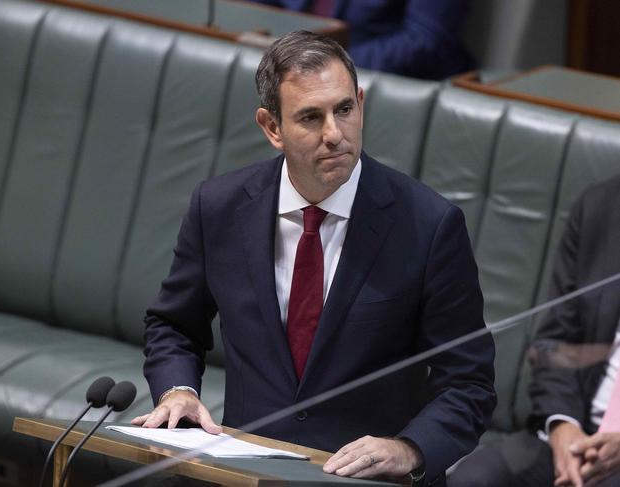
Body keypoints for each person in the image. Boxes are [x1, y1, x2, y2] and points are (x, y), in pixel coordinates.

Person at [132, 30, 495, 485]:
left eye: (344, 109)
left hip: (364, 481)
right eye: (310, 117)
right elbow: (174, 325)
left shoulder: (429, 225)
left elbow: (469, 384)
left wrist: (409, 448)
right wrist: (178, 390)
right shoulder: (219, 208)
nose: (334, 134)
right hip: (244, 472)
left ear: (360, 103)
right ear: (272, 127)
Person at [448, 175, 620, 487]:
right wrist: (563, 425)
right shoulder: (601, 204)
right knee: (471, 480)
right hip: (575, 434)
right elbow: (557, 340)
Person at [248, 0, 473, 79]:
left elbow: (426, 40)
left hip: (381, 85)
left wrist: (322, 64)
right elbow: (253, 8)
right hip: (285, 69)